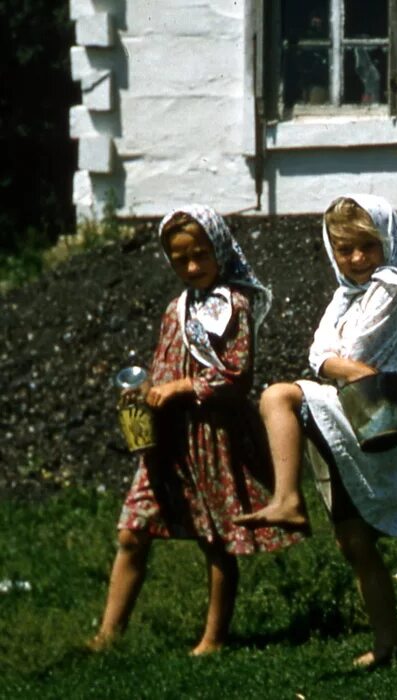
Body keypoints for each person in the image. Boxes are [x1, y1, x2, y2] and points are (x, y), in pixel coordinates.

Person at [235, 194, 397, 668]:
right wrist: (343, 367)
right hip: (354, 400)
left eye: (365, 247)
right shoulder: (345, 294)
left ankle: (287, 499)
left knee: (278, 396)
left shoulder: (394, 286)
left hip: (383, 405)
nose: (356, 260)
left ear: (386, 242)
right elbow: (319, 354)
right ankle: (389, 644)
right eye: (344, 250)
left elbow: (349, 346)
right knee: (354, 540)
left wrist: (340, 364)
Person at [88, 206, 300, 655]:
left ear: (219, 249)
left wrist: (183, 387)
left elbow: (237, 376)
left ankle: (213, 638)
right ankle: (108, 637)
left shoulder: (232, 307)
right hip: (168, 440)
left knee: (216, 537)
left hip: (213, 435)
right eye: (180, 259)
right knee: (132, 531)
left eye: (200, 255)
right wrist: (145, 392)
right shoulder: (176, 308)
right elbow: (164, 364)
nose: (192, 267)